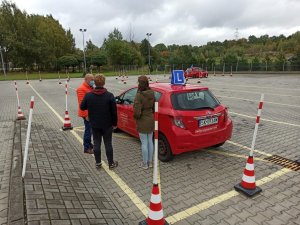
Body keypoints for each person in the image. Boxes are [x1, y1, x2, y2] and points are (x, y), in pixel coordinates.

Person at [80, 74, 118, 170]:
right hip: (107, 124)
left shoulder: (89, 95)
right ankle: (111, 163)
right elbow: (114, 112)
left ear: (95, 83)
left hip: (95, 124)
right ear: (104, 83)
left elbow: (82, 107)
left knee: (96, 143)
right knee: (108, 144)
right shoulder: (109, 95)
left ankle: (98, 163)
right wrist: (114, 124)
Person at [133, 75, 155, 169]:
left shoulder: (139, 95)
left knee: (144, 143)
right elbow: (154, 106)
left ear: (140, 84)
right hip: (150, 117)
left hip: (142, 119)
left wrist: (136, 117)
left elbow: (137, 112)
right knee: (150, 141)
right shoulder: (152, 92)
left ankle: (145, 164)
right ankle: (150, 162)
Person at [76, 74, 94, 154]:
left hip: (92, 113)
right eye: (91, 80)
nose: (92, 81)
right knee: (88, 131)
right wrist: (86, 115)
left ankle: (89, 144)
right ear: (86, 80)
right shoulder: (81, 89)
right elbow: (82, 104)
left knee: (91, 130)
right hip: (86, 114)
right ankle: (86, 147)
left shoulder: (90, 88)